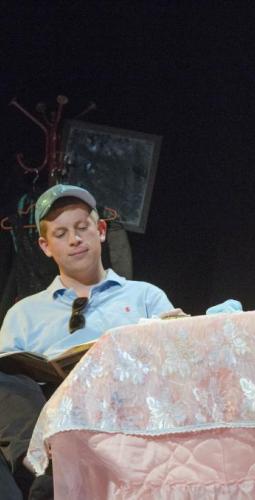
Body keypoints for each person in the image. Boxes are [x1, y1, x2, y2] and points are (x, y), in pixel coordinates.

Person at [0, 184, 174, 499]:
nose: (75, 239)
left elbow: (174, 364)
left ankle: (53, 474)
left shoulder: (145, 296)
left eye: (82, 228)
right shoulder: (23, 313)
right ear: (45, 246)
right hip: (46, 420)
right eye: (61, 233)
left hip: (120, 407)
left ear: (101, 230)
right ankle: (46, 468)